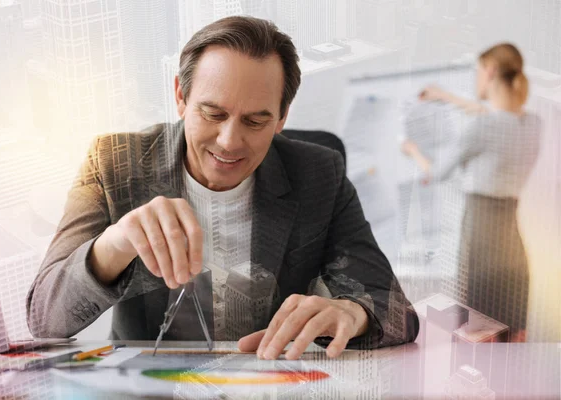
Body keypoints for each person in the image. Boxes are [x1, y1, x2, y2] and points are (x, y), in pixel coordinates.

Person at [27, 16, 419, 359]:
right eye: (213, 113)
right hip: (151, 388)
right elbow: (44, 319)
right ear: (181, 96)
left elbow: (397, 312)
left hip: (270, 382)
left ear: (282, 117)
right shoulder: (113, 162)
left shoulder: (318, 172)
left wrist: (355, 313)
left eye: (255, 121)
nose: (230, 141)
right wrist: (113, 245)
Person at [404, 43, 541, 342]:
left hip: (482, 240)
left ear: (490, 72)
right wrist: (446, 97)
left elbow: (436, 173)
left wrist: (412, 150)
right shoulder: (534, 124)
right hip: (513, 245)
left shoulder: (482, 127)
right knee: (513, 334)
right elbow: (494, 118)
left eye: (478, 72)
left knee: (479, 334)